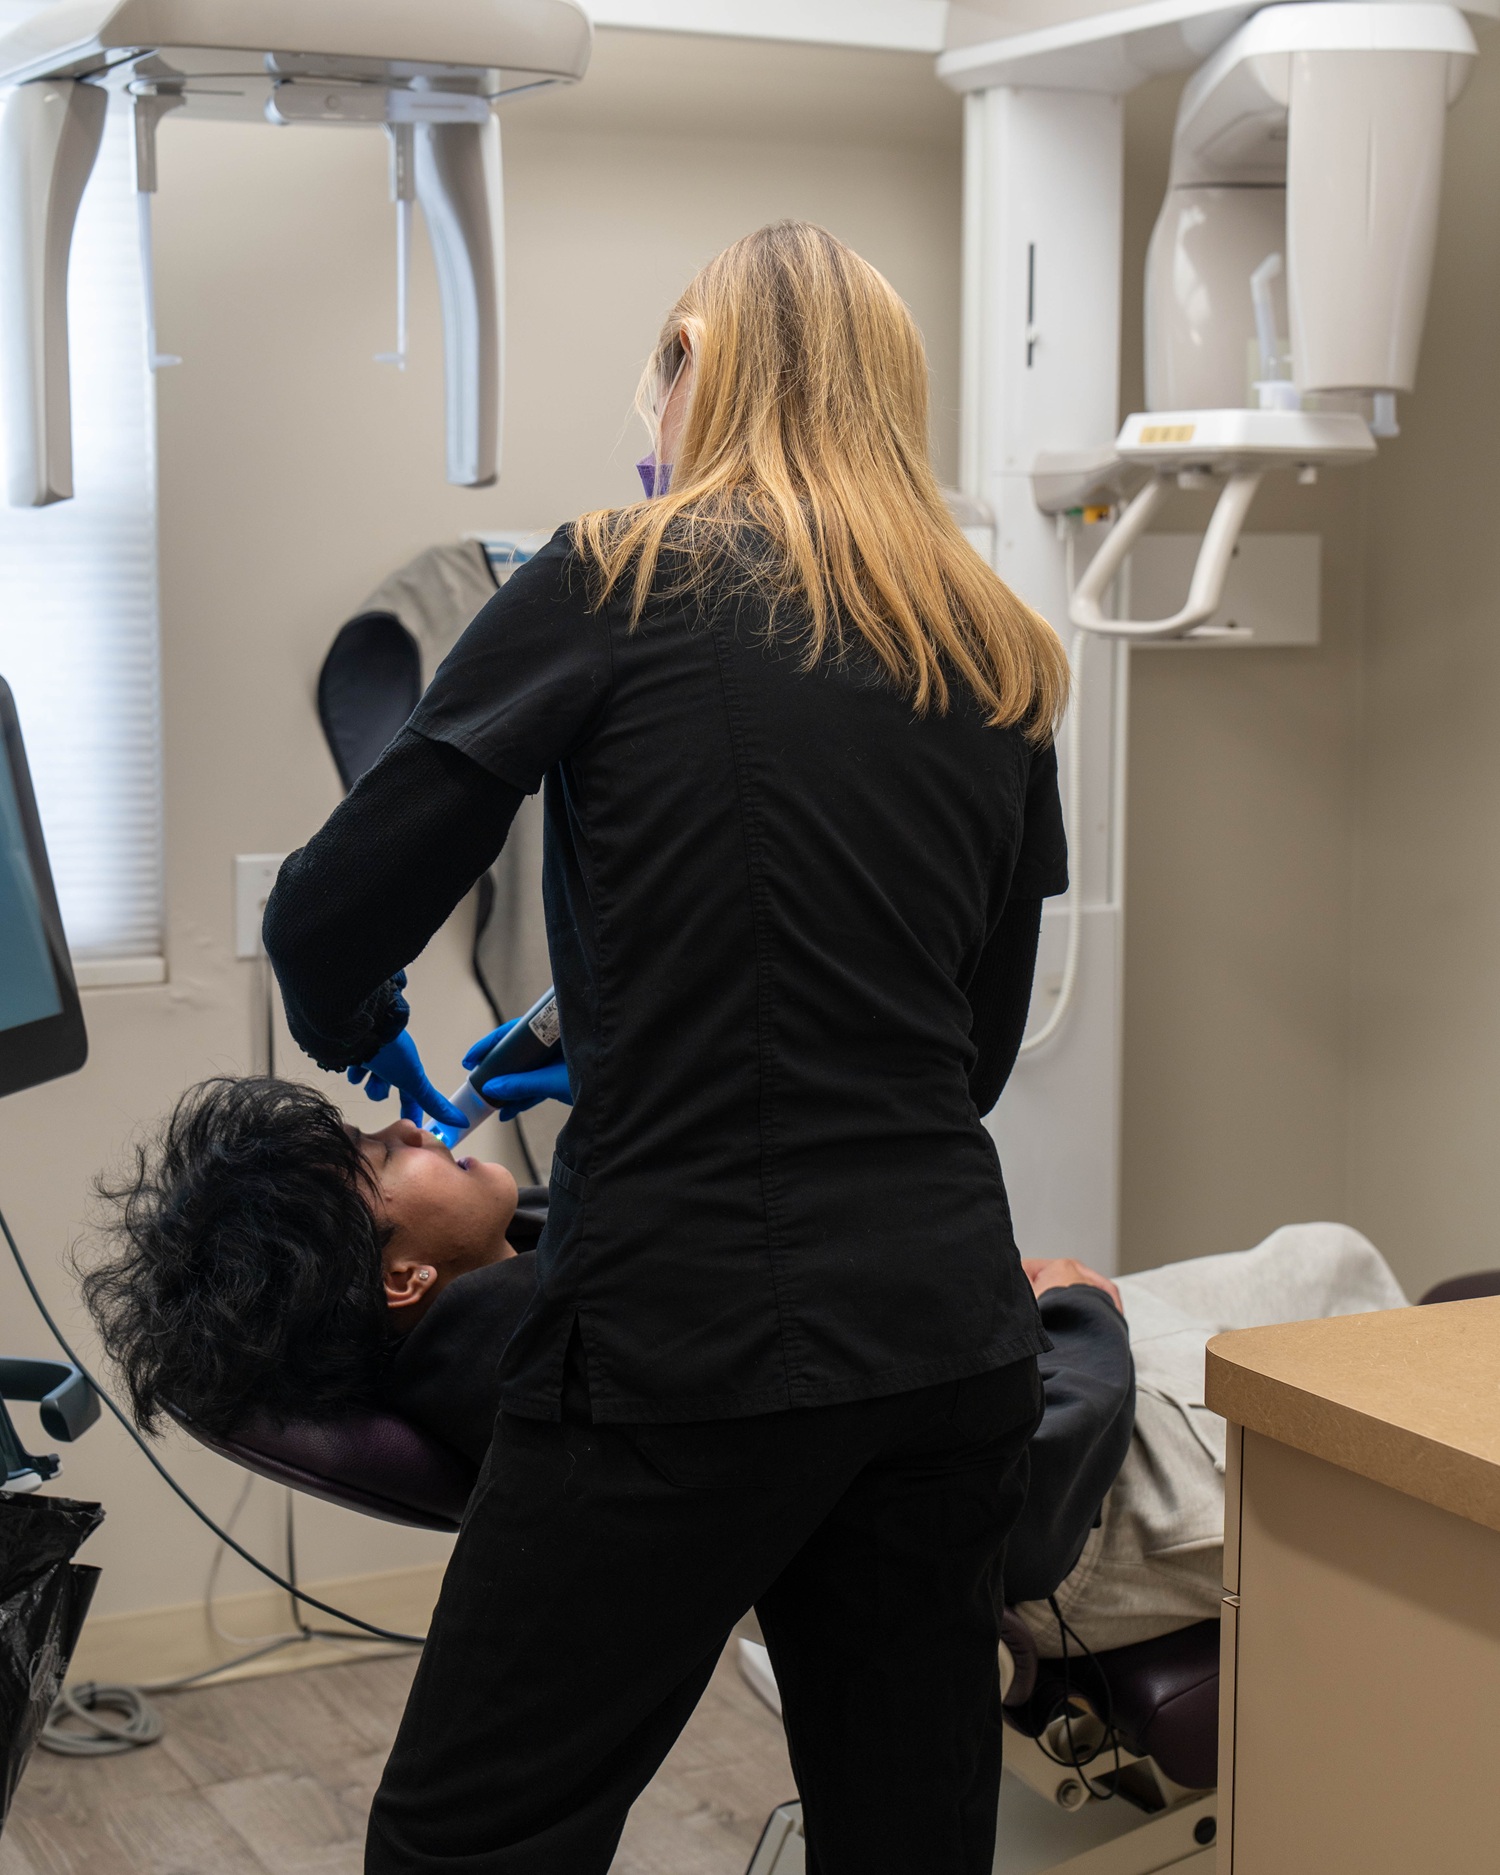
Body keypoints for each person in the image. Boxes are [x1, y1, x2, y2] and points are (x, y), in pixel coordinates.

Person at [261, 220, 1073, 1875]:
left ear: (693, 371)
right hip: (946, 1340)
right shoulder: (994, 643)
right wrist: (642, 1032)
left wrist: (362, 1022)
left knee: (466, 1840)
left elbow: (327, 916)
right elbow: (964, 1058)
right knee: (909, 1842)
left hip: (686, 1341)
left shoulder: (615, 573)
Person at [80, 1075, 1132, 1603]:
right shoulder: (589, 1353)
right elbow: (1012, 1504)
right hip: (1090, 1461)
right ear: (403, 1278)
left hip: (1015, 1353)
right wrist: (1082, 1319)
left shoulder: (524, 1297)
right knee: (1257, 1284)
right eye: (380, 1158)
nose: (405, 1124)